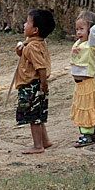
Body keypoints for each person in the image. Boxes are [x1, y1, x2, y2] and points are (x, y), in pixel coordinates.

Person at [15, 9, 55, 154]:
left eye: (27, 22)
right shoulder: (38, 43)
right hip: (38, 85)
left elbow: (40, 66)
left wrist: (43, 83)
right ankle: (45, 140)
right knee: (38, 115)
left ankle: (38, 146)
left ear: (35, 30)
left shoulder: (32, 46)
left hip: (32, 86)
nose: (24, 24)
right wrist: (20, 52)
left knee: (33, 117)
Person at [70, 10, 95, 147]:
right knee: (85, 108)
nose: (78, 32)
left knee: (87, 108)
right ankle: (92, 134)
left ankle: (87, 135)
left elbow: (94, 32)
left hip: (87, 84)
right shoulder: (80, 43)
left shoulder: (92, 44)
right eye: (77, 29)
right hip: (80, 85)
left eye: (82, 29)